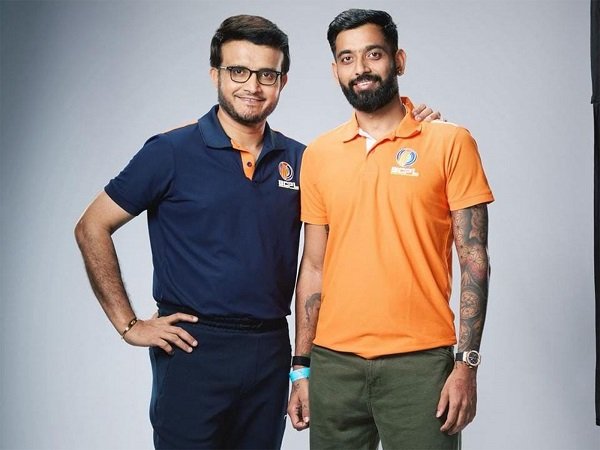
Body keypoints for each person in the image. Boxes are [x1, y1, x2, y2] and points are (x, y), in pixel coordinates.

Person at [75, 13, 440, 450]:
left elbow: (364, 195)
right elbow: (92, 226)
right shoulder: (170, 151)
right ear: (215, 74)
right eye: (238, 71)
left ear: (282, 82)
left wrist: (411, 127)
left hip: (269, 349)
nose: (253, 85)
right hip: (193, 347)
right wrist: (129, 324)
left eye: (267, 74)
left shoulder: (303, 160)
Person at [287, 8, 494, 450]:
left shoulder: (450, 142)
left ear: (398, 60)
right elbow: (314, 267)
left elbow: (474, 259)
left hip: (420, 365)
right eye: (347, 58)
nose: (360, 68)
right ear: (335, 70)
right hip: (334, 367)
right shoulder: (319, 155)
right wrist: (301, 367)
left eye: (373, 54)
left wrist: (466, 365)